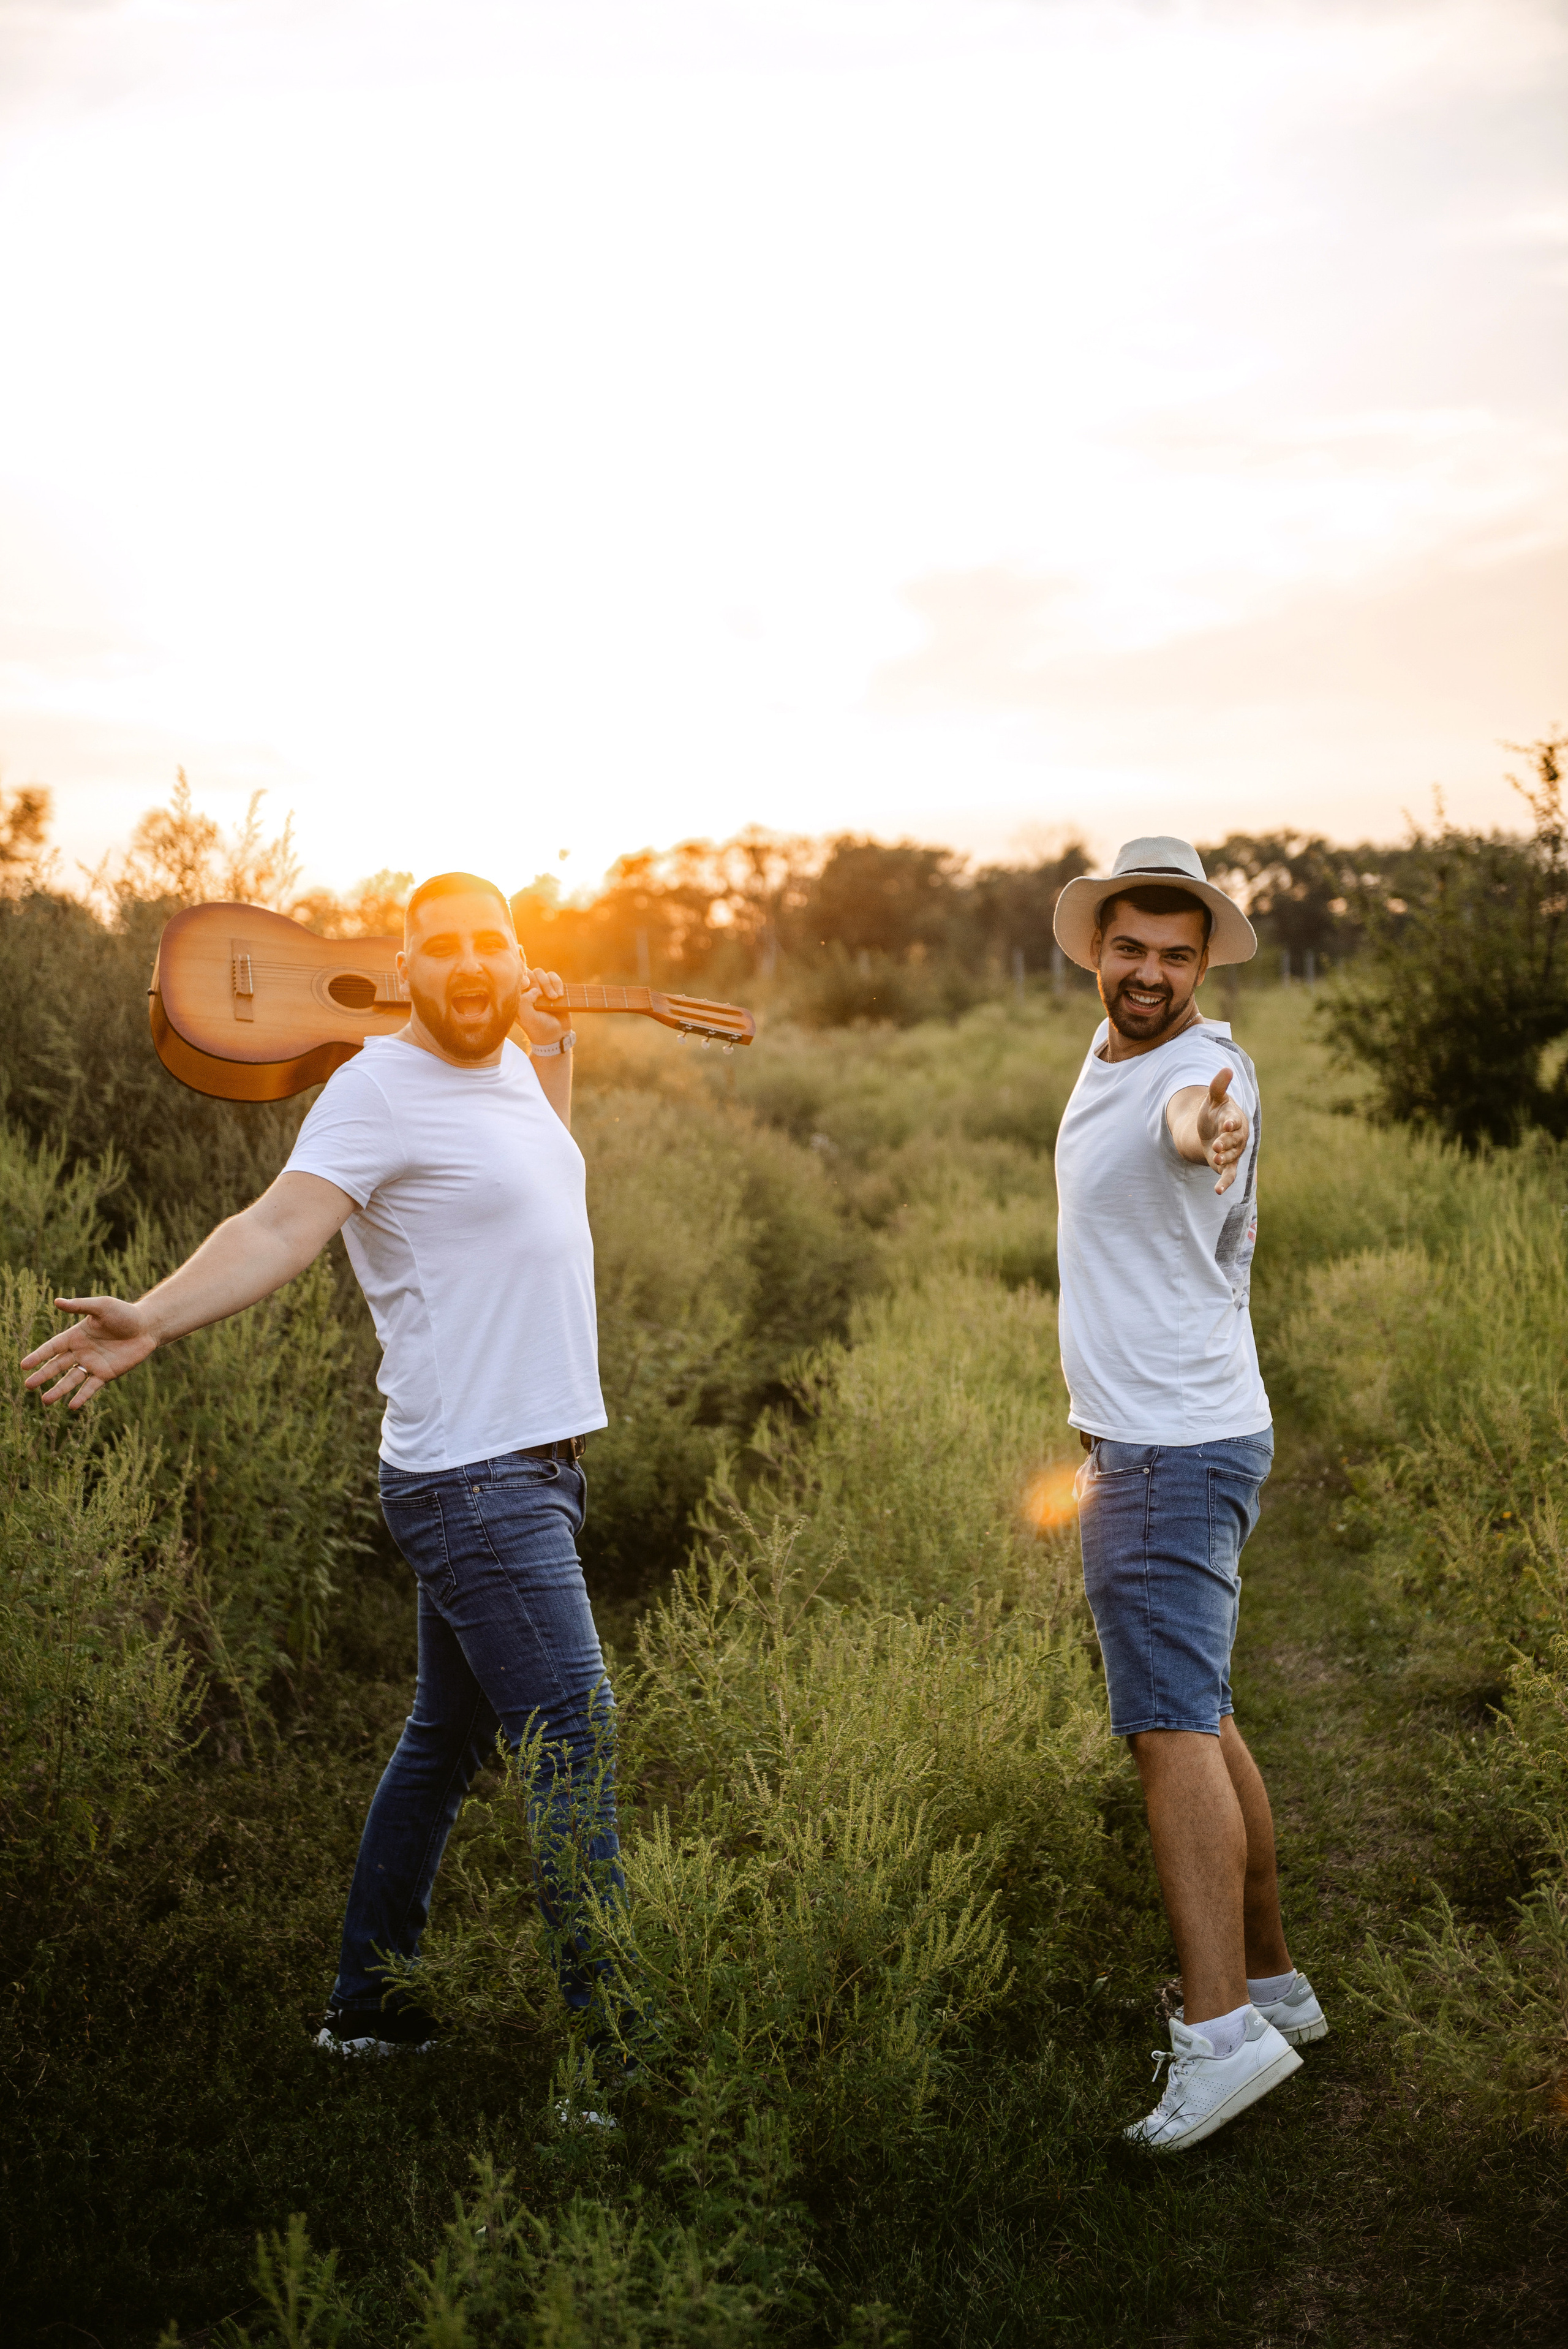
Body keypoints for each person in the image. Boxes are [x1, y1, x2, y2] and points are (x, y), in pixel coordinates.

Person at [21, 872, 633, 2073]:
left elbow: (539, 1181)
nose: (467, 966)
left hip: (535, 1468)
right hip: (473, 1482)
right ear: (403, 969)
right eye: (441, 948)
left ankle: (366, 2011)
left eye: (489, 946)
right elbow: (275, 1225)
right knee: (573, 1732)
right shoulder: (375, 1091)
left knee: (445, 1739)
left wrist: (552, 1041)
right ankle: (615, 2064)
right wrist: (153, 1316)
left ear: (518, 961)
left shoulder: (509, 1061)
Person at [1051, 836, 1327, 2153]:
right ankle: (1271, 1981)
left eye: (1175, 954)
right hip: (1174, 1434)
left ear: (1203, 961)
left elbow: (1194, 1119)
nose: (1150, 973)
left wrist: (1207, 1129)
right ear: (1097, 951)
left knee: (1167, 1731)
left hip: (1166, 1450)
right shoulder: (1110, 1053)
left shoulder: (1197, 1071)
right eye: (1130, 950)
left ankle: (1215, 2035)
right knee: (1201, 1710)